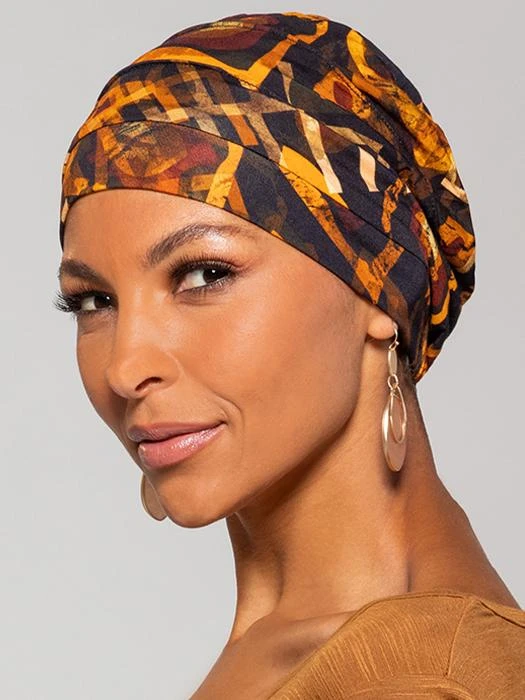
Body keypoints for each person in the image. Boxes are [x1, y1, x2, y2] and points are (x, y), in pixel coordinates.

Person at [54, 11, 525, 699]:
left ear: (380, 288)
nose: (125, 369)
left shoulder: (425, 681)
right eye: (94, 301)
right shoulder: (295, 644)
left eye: (204, 275)